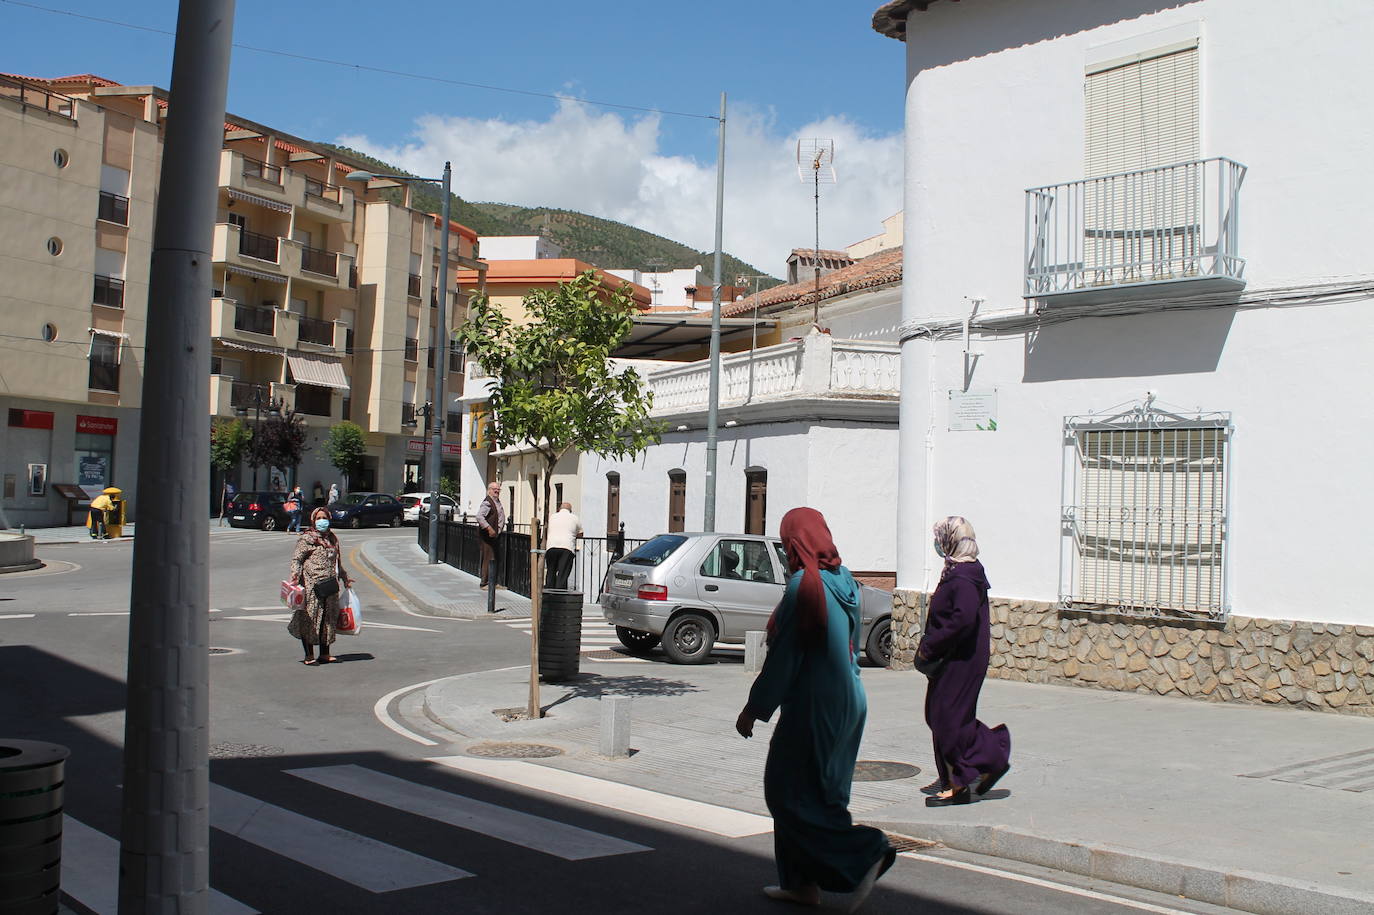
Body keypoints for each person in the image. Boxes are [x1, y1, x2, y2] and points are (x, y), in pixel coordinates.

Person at [736, 507, 894, 910]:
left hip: (813, 701)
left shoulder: (804, 587)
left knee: (785, 792)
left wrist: (755, 708)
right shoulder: (845, 580)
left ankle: (865, 851)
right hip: (850, 698)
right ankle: (801, 884)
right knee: (822, 794)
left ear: (793, 542)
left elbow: (786, 657)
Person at [918, 516, 1011, 807]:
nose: (937, 543)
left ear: (952, 540)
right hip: (957, 657)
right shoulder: (961, 571)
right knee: (942, 716)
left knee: (947, 717)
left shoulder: (964, 577)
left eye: (941, 537)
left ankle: (959, 783)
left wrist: (930, 647)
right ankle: (986, 760)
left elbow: (961, 620)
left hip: (960, 658)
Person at [289, 507, 354, 666]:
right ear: (313, 520)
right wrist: (295, 575)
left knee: (329, 619)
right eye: (318, 518)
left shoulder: (332, 539)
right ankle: (309, 655)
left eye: (324, 517)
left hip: (330, 585)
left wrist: (344, 577)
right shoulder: (307, 539)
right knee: (309, 618)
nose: (321, 521)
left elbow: (337, 562)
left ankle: (325, 653)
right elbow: (297, 559)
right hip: (311, 584)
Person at [543, 501, 583, 590]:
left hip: (551, 546)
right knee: (563, 572)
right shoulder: (574, 518)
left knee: (551, 570)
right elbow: (581, 533)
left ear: (559, 509)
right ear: (570, 510)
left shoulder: (552, 517)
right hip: (567, 547)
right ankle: (560, 592)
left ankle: (549, 591)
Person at [476, 480, 506, 589]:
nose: (497, 491)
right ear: (489, 491)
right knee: (488, 557)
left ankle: (493, 582)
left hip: (495, 536)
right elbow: (479, 516)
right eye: (494, 489)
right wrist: (489, 528)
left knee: (495, 558)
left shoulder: (497, 501)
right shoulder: (487, 502)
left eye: (498, 489)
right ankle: (484, 583)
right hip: (487, 536)